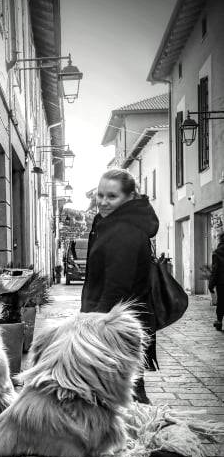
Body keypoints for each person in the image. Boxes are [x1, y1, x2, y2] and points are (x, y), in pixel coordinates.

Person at [80, 168, 159, 404]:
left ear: (130, 197)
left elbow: (117, 287)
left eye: (112, 196)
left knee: (126, 393)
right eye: (100, 195)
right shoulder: (107, 221)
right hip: (113, 320)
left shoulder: (125, 229)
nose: (103, 202)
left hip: (116, 323)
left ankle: (141, 434)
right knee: (120, 390)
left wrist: (95, 325)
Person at [209, 230, 224, 331]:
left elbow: (215, 270)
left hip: (222, 282)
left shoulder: (218, 252)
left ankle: (219, 321)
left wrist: (211, 284)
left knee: (221, 301)